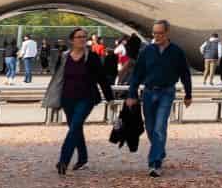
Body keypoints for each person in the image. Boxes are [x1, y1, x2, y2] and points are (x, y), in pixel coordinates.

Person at [122, 19, 191, 176]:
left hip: (167, 92)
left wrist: (188, 94)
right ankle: (159, 150)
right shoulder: (147, 51)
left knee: (160, 127)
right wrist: (132, 94)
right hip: (148, 92)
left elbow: (185, 73)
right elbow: (137, 74)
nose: (157, 36)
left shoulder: (176, 51)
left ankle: (154, 163)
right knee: (151, 127)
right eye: (155, 33)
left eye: (160, 33)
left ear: (167, 33)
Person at [46, 27, 111, 175]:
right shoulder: (64, 57)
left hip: (87, 97)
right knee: (76, 128)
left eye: (84, 37)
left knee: (75, 125)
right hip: (67, 98)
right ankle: (83, 158)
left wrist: (110, 98)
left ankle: (63, 161)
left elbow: (102, 78)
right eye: (79, 37)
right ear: (72, 40)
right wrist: (55, 97)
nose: (82, 39)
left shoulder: (92, 57)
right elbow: (57, 78)